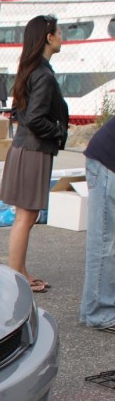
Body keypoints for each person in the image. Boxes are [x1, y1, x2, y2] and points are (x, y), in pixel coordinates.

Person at [0, 15, 69, 293]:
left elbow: (20, 113)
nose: (62, 37)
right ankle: (17, 278)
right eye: (59, 32)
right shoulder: (43, 74)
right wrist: (59, 130)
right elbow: (36, 119)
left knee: (25, 216)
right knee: (26, 217)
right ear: (48, 38)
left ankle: (21, 271)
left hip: (24, 148)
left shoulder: (30, 69)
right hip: (33, 151)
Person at [79, 118, 115, 332]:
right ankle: (100, 314)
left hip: (105, 162)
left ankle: (91, 310)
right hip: (108, 164)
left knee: (104, 242)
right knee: (104, 243)